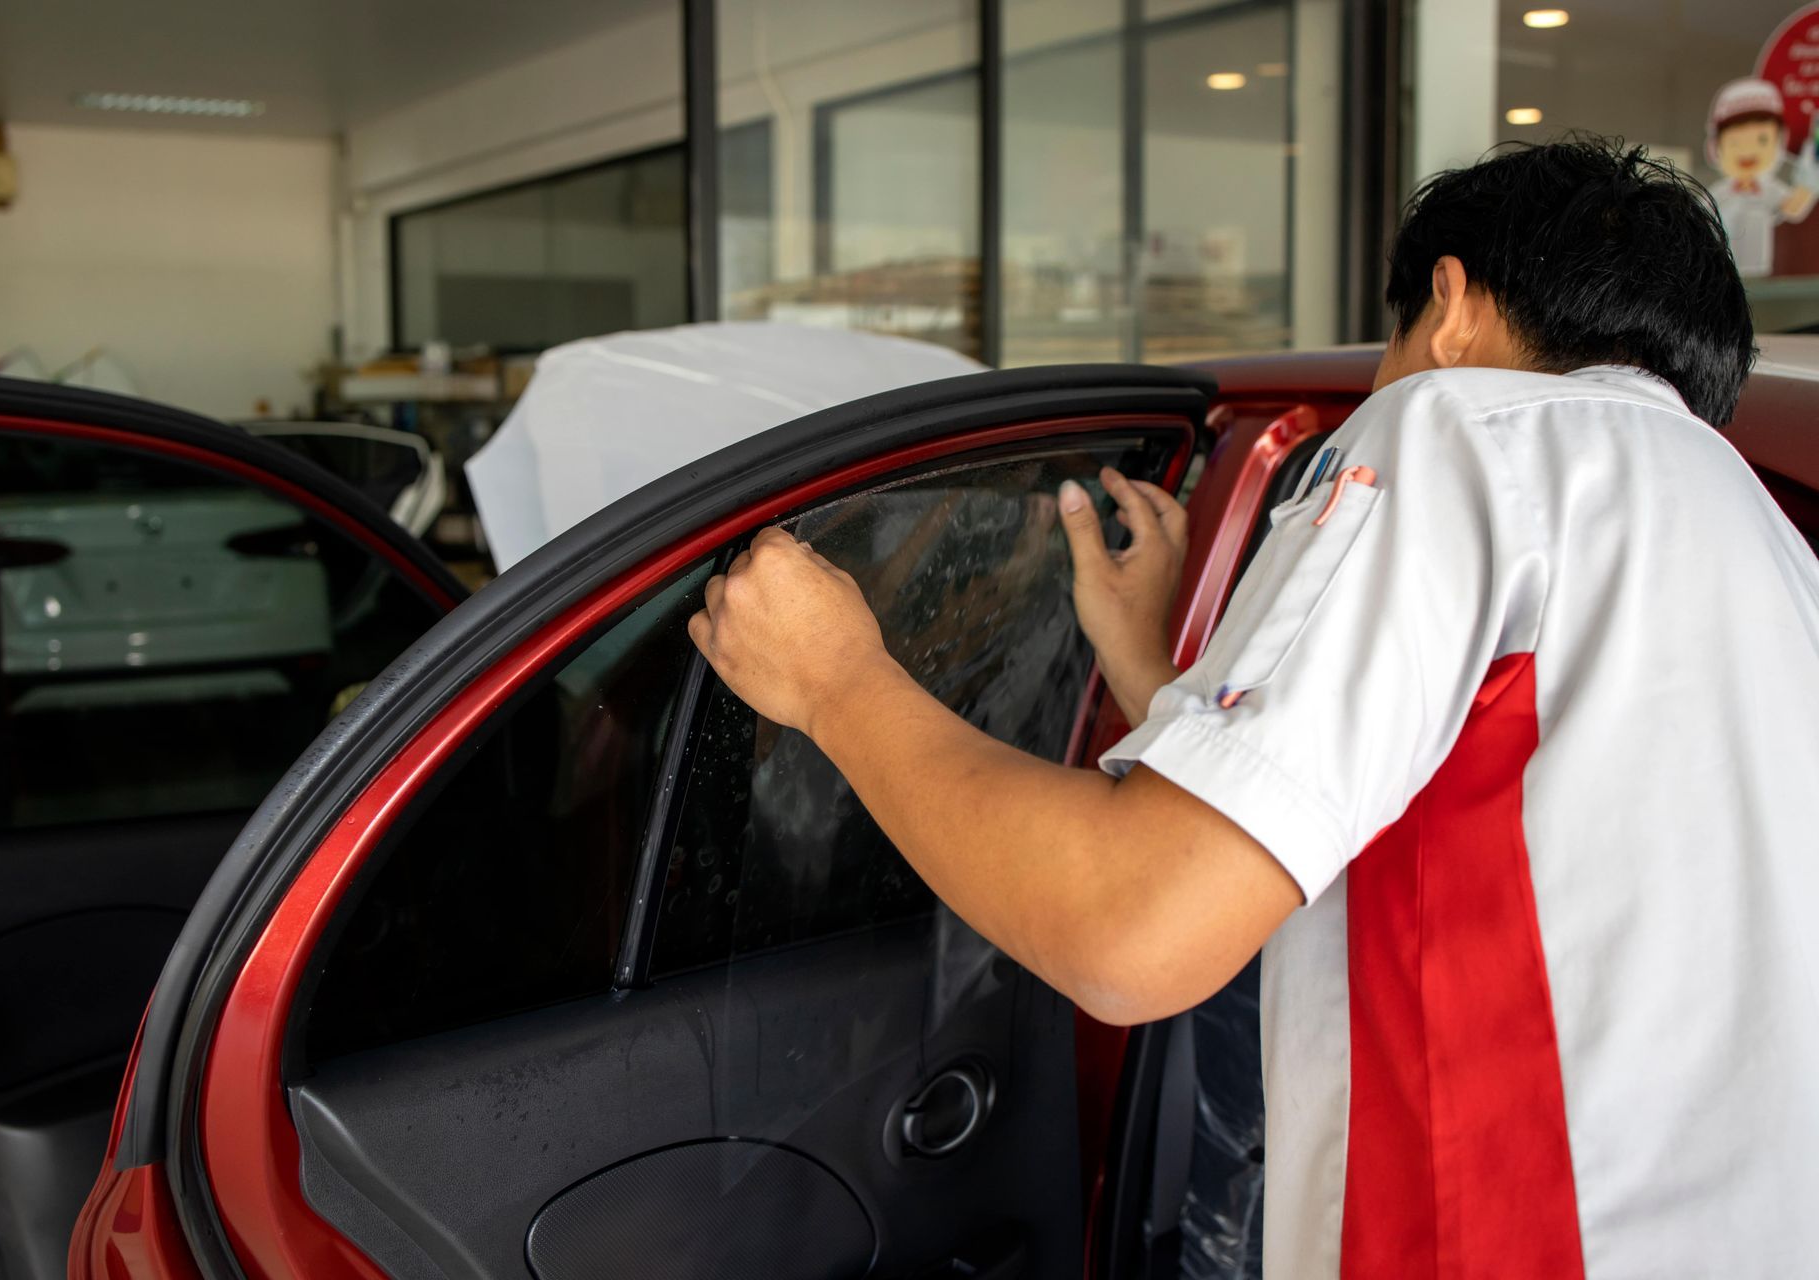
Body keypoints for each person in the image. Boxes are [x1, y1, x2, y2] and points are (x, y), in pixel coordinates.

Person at [687, 138, 1819, 1277]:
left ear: (1452, 304)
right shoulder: (1769, 544)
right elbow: (1457, 844)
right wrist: (1151, 672)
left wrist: (837, 681)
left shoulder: (1456, 430)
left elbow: (1134, 928)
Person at [1705, 76, 1817, 277]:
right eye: (1735, 142)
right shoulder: (1717, 194)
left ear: (1780, 141)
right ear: (1716, 147)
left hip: (1762, 276)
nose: (1748, 150)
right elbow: (1698, 220)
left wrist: (1810, 178)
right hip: (1719, 277)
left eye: (1762, 139)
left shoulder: (1771, 190)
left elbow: (1794, 207)